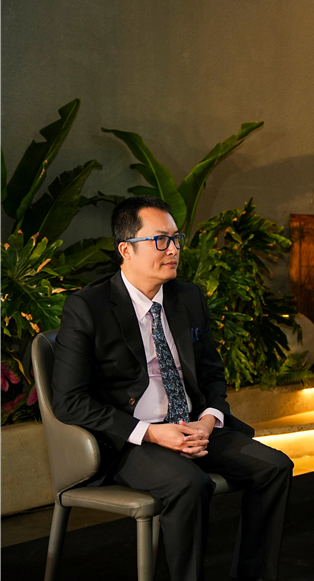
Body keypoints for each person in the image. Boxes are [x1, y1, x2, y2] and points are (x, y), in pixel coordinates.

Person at [52, 196, 293, 581]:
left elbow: (212, 373)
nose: (174, 249)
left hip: (193, 426)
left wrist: (209, 420)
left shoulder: (188, 297)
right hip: (131, 439)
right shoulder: (88, 307)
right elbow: (69, 401)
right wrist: (151, 433)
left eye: (176, 239)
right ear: (126, 250)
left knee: (275, 467)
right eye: (160, 240)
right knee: (189, 484)